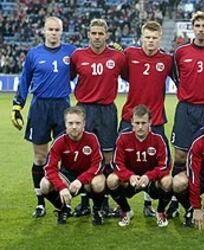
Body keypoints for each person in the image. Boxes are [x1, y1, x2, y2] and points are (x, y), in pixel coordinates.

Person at [11, 16, 76, 218]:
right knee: (40, 157)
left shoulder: (71, 52)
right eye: (50, 29)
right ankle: (40, 203)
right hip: (40, 106)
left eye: (57, 30)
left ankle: (63, 202)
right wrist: (17, 105)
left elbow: (87, 63)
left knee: (63, 159)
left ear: (61, 31)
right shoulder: (33, 54)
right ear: (44, 31)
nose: (54, 33)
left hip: (62, 106)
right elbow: (24, 80)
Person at [169, 11, 204, 219]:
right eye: (198, 25)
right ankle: (176, 201)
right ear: (192, 27)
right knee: (181, 155)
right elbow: (176, 76)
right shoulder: (180, 52)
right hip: (185, 108)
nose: (201, 29)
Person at [70, 18, 126, 216]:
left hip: (106, 110)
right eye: (93, 33)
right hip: (84, 110)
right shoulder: (77, 56)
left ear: (107, 35)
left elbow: (130, 75)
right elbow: (66, 78)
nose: (97, 37)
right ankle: (84, 203)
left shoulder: (118, 57)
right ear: (88, 34)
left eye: (100, 33)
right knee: (84, 157)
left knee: (107, 158)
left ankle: (103, 203)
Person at [120, 21, 174, 218]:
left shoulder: (167, 60)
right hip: (129, 118)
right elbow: (124, 75)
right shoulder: (130, 54)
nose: (151, 41)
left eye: (154, 38)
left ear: (160, 39)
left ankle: (148, 203)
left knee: (156, 164)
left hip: (156, 120)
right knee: (122, 161)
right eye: (147, 37)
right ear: (141, 38)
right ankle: (122, 206)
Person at [107, 105, 172, 227]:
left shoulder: (159, 138)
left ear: (150, 122)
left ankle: (160, 212)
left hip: (151, 181)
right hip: (131, 181)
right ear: (131, 122)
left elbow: (165, 165)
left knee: (168, 181)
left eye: (144, 123)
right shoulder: (123, 137)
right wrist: (129, 176)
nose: (140, 126)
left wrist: (149, 176)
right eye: (137, 123)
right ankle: (126, 211)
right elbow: (116, 163)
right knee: (111, 180)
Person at [40, 106, 106, 225]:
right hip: (68, 175)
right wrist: (61, 187)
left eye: (77, 123)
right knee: (44, 184)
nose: (74, 126)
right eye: (70, 123)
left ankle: (97, 211)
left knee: (99, 183)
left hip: (88, 175)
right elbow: (50, 168)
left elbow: (98, 164)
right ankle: (63, 208)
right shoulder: (59, 141)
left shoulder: (92, 138)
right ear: (65, 124)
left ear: (84, 123)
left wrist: (81, 180)